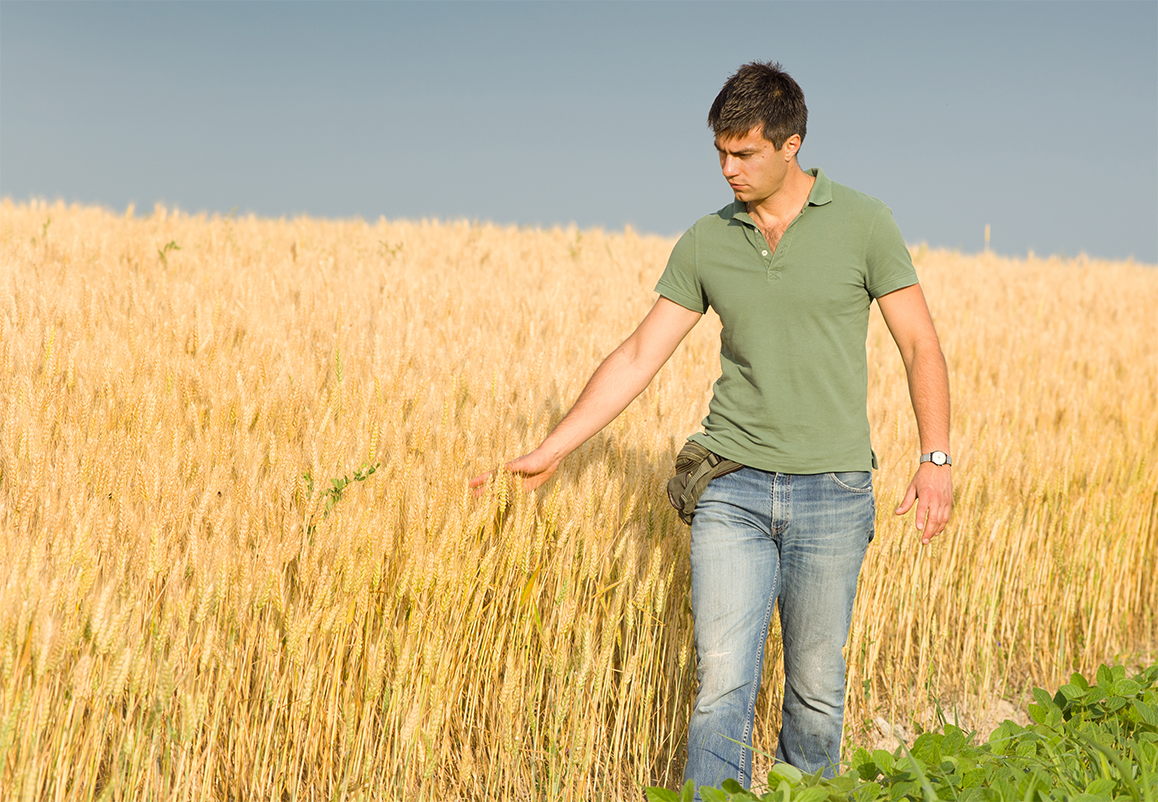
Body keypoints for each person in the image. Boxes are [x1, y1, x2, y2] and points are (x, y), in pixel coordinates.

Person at [470, 61, 951, 795]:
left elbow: (919, 342)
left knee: (818, 687)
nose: (727, 168)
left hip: (834, 489)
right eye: (719, 152)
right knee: (723, 681)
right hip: (731, 487)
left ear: (791, 145)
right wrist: (551, 449)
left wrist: (935, 458)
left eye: (744, 153)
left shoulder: (865, 223)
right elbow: (638, 355)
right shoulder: (706, 240)